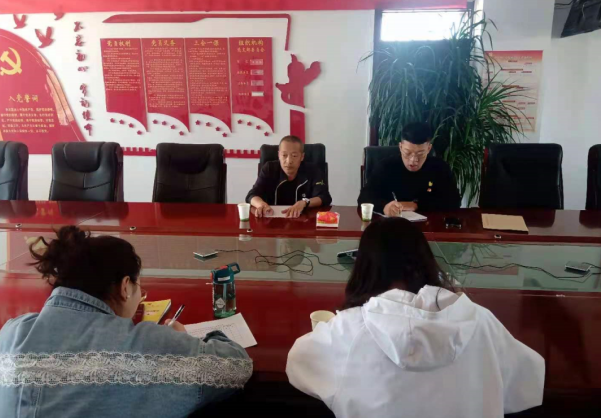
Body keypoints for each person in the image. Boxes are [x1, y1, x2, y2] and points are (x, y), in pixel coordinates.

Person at [286, 218, 545, 418]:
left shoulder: (348, 329)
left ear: (364, 267)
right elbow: (529, 382)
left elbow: (298, 363)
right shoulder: (479, 320)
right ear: (424, 261)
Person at [0, 226, 252, 418]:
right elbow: (237, 366)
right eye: (139, 285)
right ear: (124, 287)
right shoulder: (145, 344)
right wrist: (184, 340)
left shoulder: (12, 332)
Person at [358, 122, 461, 216]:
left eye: (420, 154)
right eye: (407, 153)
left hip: (428, 226)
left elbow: (454, 201)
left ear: (429, 149)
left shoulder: (439, 168)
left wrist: (417, 205)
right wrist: (384, 207)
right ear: (400, 147)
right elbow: (364, 198)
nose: (413, 160)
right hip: (390, 225)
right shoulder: (385, 166)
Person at [246, 136, 332, 218]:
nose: (289, 161)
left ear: (302, 157)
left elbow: (324, 197)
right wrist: (261, 204)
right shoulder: (269, 168)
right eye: (284, 155)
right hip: (272, 220)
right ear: (279, 155)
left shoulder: (313, 170)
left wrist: (304, 202)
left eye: (294, 156)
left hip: (304, 221)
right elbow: (252, 195)